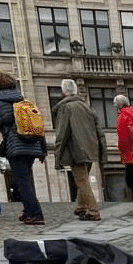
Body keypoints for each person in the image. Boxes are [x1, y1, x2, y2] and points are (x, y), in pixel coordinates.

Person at [0, 71, 47, 225]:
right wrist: (43, 150)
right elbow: (39, 127)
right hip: (32, 145)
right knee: (27, 179)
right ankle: (28, 211)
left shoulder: (0, 103)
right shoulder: (25, 102)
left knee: (22, 182)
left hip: (16, 146)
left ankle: (35, 213)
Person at [53, 77, 101, 221]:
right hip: (91, 148)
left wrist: (58, 155)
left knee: (81, 181)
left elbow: (62, 133)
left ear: (63, 92)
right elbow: (98, 131)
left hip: (76, 150)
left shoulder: (66, 107)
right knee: (83, 179)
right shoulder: (87, 107)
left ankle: (93, 211)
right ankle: (81, 207)